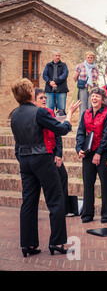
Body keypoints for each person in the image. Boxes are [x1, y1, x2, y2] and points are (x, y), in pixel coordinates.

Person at [10, 78, 80, 257]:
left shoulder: (14, 115)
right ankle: (57, 242)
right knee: (56, 200)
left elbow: (18, 143)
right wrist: (70, 115)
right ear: (30, 93)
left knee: (29, 202)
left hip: (25, 161)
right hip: (42, 158)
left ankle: (28, 245)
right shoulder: (38, 112)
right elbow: (61, 129)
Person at [76, 87, 107, 223]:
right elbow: (81, 132)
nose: (94, 98)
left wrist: (99, 153)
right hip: (88, 152)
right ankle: (87, 213)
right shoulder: (85, 113)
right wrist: (79, 148)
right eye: (92, 95)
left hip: (102, 153)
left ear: (103, 100)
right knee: (87, 183)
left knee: (106, 184)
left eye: (97, 96)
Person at [34, 88, 70, 216]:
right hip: (41, 154)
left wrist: (58, 154)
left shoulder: (50, 112)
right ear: (34, 101)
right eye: (40, 98)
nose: (44, 100)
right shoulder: (34, 114)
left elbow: (57, 135)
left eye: (45, 97)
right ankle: (35, 212)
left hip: (53, 151)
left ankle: (64, 209)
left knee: (63, 177)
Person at [73, 51, 99, 121]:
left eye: (91, 58)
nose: (89, 59)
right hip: (83, 88)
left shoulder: (95, 67)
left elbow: (96, 78)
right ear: (85, 57)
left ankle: (89, 123)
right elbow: (74, 77)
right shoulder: (80, 66)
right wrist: (79, 84)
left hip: (92, 88)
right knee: (83, 106)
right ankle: (82, 125)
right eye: (88, 57)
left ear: (93, 58)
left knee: (90, 106)